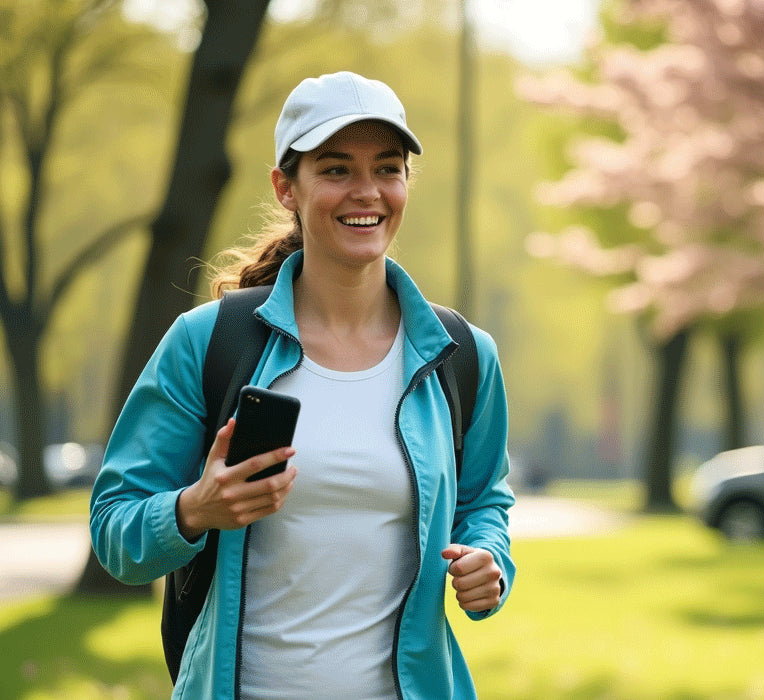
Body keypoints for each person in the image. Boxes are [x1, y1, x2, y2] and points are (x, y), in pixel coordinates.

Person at [90, 70, 516, 700]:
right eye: (337, 169)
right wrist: (194, 510)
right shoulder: (209, 342)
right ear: (286, 187)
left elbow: (485, 501)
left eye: (389, 168)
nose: (367, 192)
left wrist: (490, 563)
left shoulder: (462, 356)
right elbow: (114, 529)